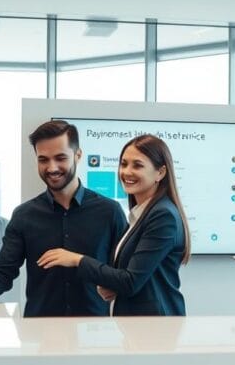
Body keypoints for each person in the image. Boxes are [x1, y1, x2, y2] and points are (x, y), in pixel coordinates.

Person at [0, 120, 128, 316]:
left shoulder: (109, 212)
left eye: (60, 158)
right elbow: (1, 273)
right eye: (43, 159)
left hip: (96, 332)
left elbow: (126, 275)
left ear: (78, 155)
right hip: (40, 333)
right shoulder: (24, 216)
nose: (52, 167)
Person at [37, 134, 190, 316]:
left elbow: (130, 281)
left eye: (137, 165)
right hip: (140, 324)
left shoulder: (163, 215)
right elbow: (136, 277)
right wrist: (112, 286)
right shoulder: (141, 214)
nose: (127, 172)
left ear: (160, 173)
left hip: (155, 325)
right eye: (124, 164)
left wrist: (77, 260)